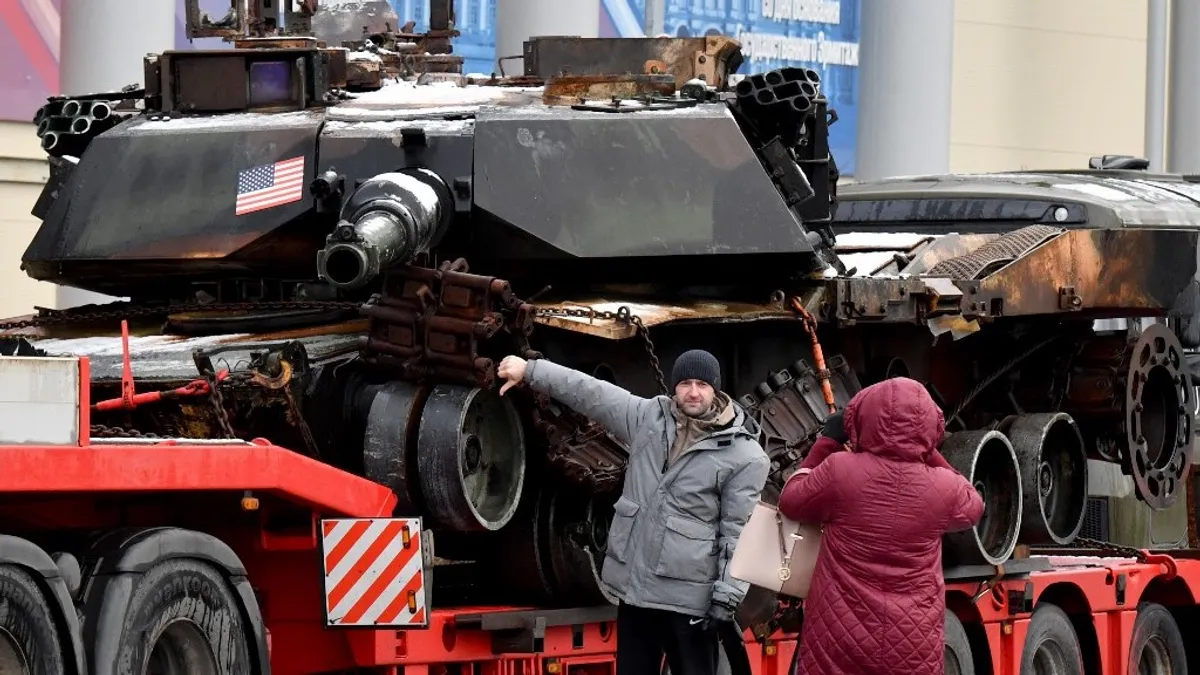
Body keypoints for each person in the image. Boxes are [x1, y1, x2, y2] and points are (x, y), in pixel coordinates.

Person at [496, 349, 770, 675]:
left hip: (690, 603)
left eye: (701, 384)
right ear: (674, 387)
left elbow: (737, 533)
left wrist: (727, 597)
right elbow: (590, 393)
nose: (693, 392)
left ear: (715, 390)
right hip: (637, 596)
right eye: (685, 383)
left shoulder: (744, 456)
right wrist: (530, 370)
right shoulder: (647, 419)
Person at [778, 377, 985, 675]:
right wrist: (925, 450)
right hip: (912, 640)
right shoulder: (945, 487)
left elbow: (791, 500)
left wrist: (826, 442)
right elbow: (973, 504)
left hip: (839, 635)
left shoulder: (840, 470)